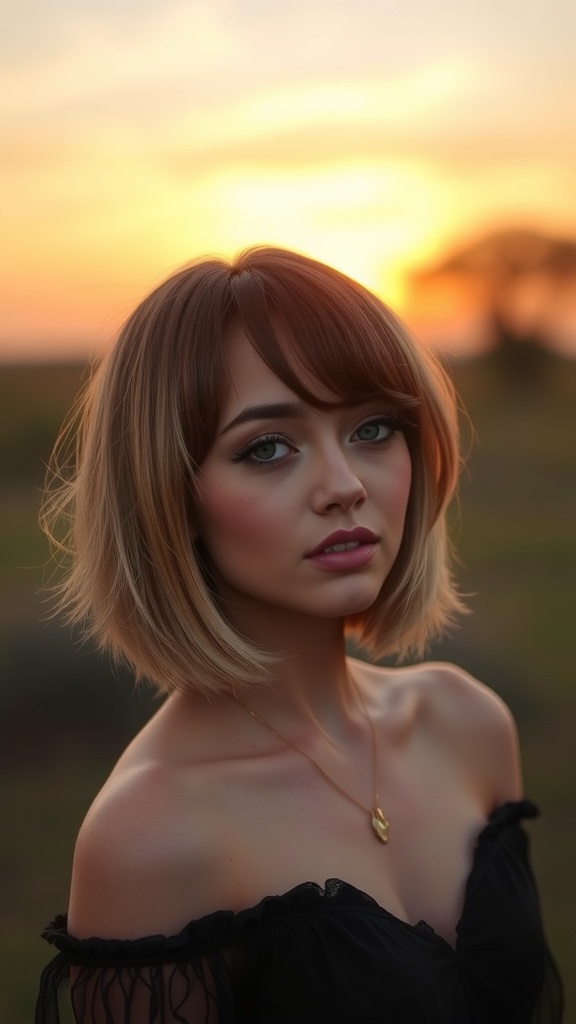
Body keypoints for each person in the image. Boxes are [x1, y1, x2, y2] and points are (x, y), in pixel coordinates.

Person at [36, 246, 562, 1023]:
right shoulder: (150, 835)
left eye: (374, 428)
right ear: (167, 496)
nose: (345, 486)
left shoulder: (467, 722)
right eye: (268, 448)